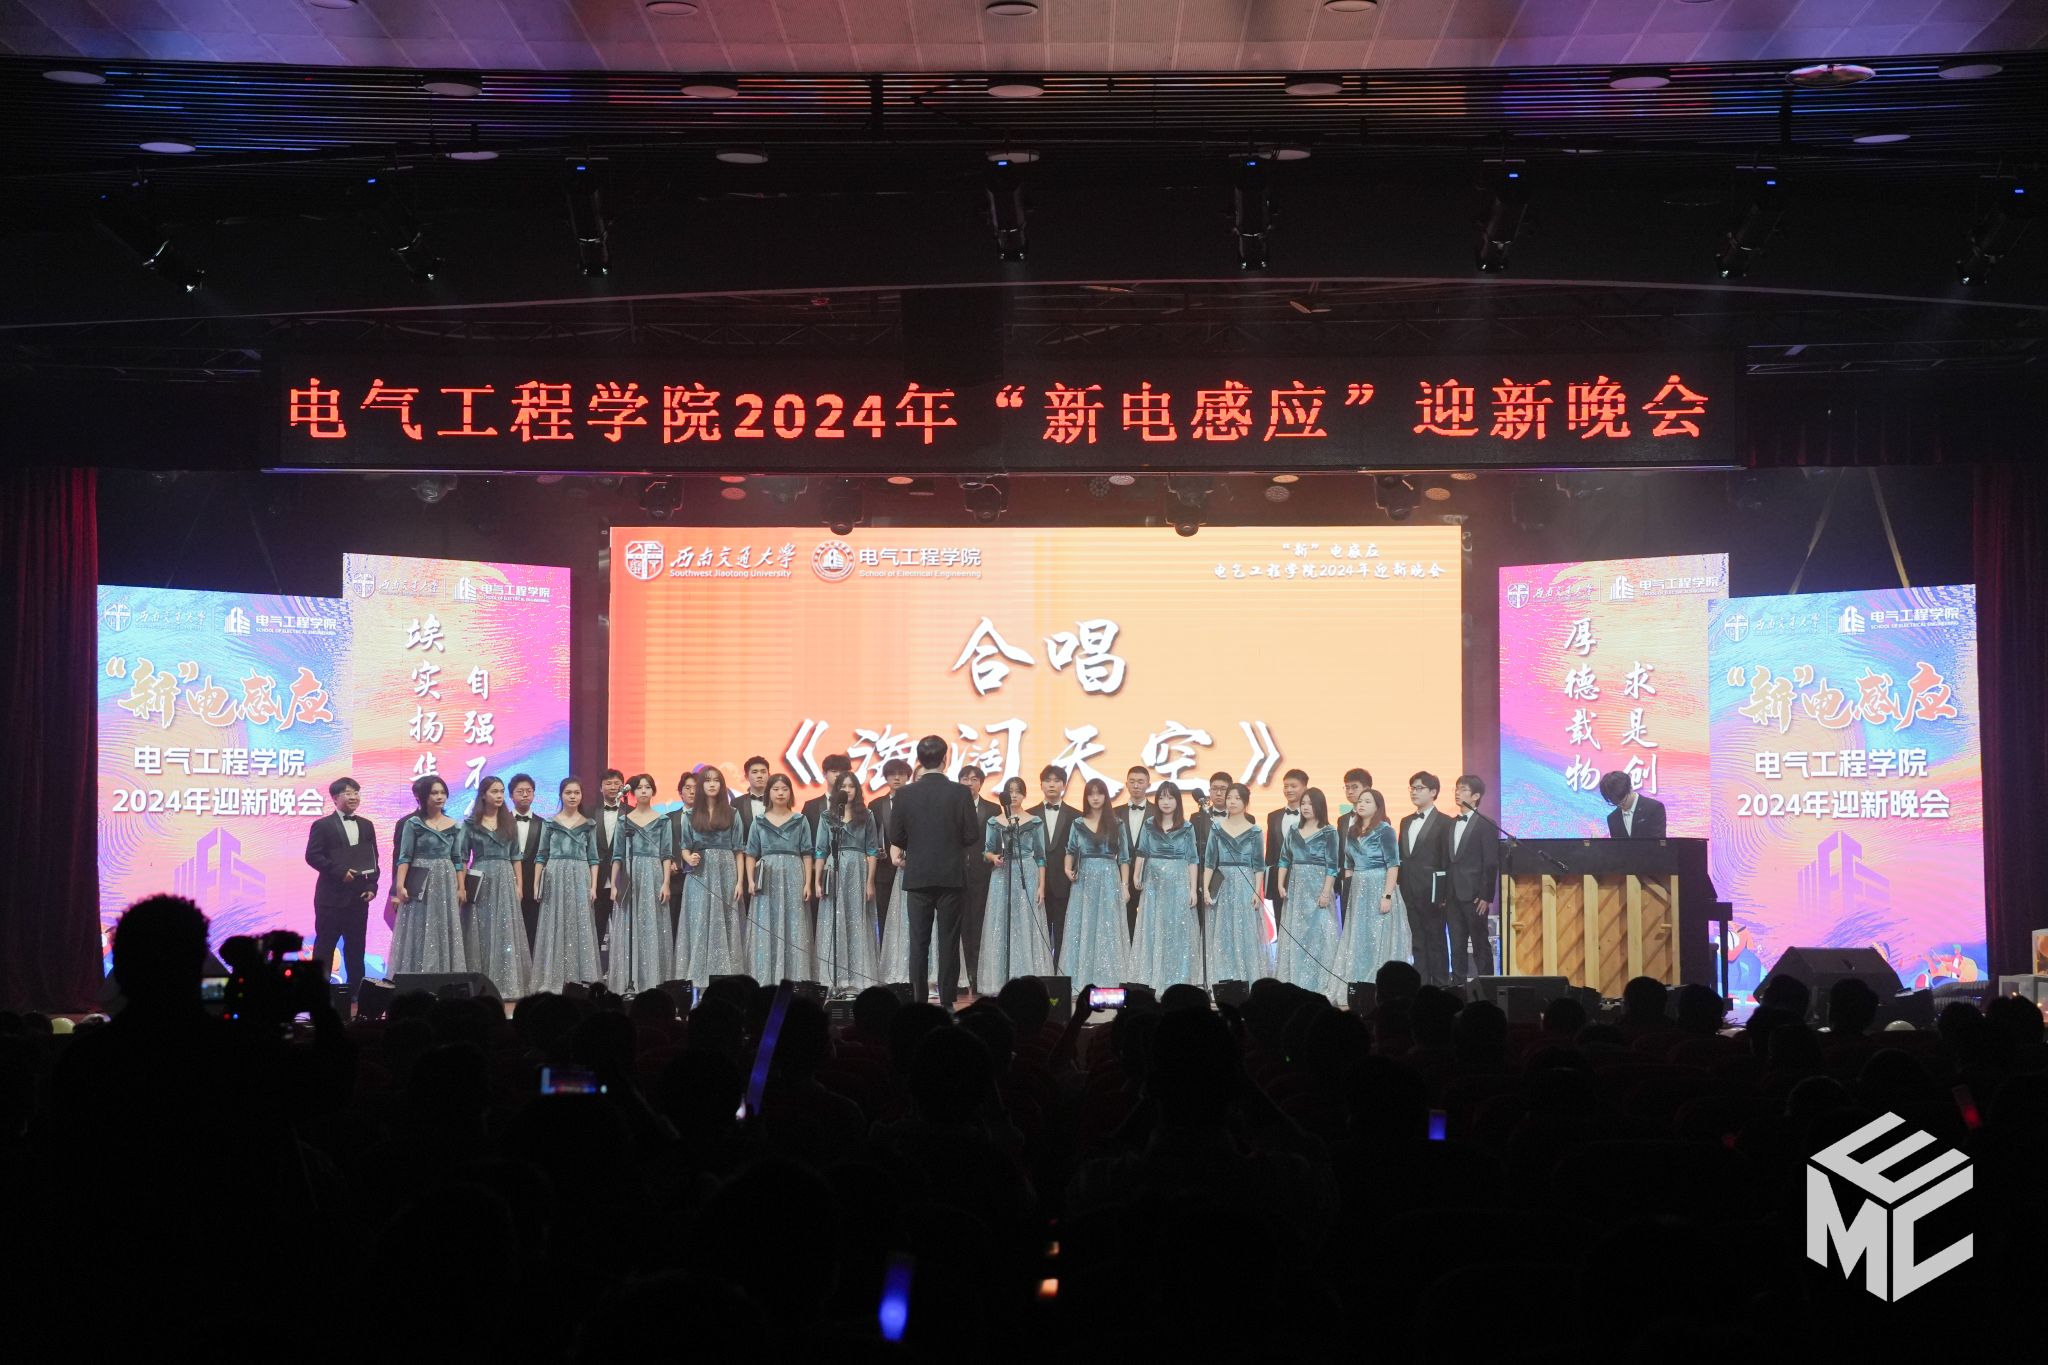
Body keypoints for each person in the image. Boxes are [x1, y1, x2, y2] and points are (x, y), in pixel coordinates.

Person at [886, 735, 981, 1009]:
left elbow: (896, 836)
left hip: (918, 875)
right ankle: (948, 1001)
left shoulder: (904, 794)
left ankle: (918, 1001)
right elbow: (972, 834)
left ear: (919, 760)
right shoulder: (961, 793)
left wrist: (918, 845)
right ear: (945, 760)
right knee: (949, 941)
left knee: (919, 942)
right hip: (951, 875)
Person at [304, 776, 378, 997]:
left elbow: (373, 859)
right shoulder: (322, 825)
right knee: (325, 947)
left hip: (358, 897)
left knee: (356, 948)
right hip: (330, 899)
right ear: (335, 798)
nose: (354, 797)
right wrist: (339, 872)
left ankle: (357, 992)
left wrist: (372, 886)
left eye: (356, 792)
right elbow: (312, 856)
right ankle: (318, 993)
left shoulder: (366, 825)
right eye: (348, 793)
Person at [390, 773, 469, 975]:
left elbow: (458, 859)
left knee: (444, 924)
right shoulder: (413, 823)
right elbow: (404, 857)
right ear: (424, 796)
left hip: (445, 880)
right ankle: (415, 975)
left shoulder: (456, 826)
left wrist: (461, 887)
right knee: (418, 925)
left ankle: (444, 976)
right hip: (420, 879)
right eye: (434, 793)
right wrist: (399, 886)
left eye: (443, 792)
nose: (440, 797)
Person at [980, 776, 1054, 991]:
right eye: (1010, 791)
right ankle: (1000, 979)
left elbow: (1041, 856)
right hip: (1002, 875)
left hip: (1027, 872)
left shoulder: (1034, 821)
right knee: (1001, 923)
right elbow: (986, 851)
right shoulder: (994, 822)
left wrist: (1041, 886)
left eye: (1018, 791)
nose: (1013, 795)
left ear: (1024, 795)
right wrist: (993, 858)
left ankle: (1028, 978)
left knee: (1025, 922)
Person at [1058, 777, 1131, 991]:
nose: (1095, 798)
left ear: (1106, 796)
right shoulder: (1078, 823)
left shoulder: (1117, 824)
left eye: (1099, 793)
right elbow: (1070, 850)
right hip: (1084, 879)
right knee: (1083, 925)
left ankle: (1108, 977)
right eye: (1091, 794)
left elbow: (1124, 858)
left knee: (1107, 926)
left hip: (1109, 878)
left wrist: (1124, 885)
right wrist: (1067, 869)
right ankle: (1081, 978)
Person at [676, 765, 746, 983]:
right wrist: (688, 858)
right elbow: (684, 847)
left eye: (716, 780)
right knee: (699, 921)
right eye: (707, 780)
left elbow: (739, 850)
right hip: (699, 874)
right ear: (701, 786)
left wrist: (739, 881)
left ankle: (727, 977)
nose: (712, 784)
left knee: (726, 921)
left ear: (722, 785)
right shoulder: (689, 815)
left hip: (726, 871)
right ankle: (698, 977)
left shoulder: (733, 813)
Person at [1130, 781, 1202, 990]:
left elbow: (1192, 860)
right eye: (1161, 797)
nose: (1166, 802)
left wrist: (1192, 889)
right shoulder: (1149, 824)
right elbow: (1142, 851)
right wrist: (1136, 874)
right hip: (1154, 883)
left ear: (1177, 801)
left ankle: (1178, 978)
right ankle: (1153, 977)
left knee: (1177, 928)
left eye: (1170, 797)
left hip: (1179, 882)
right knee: (1154, 927)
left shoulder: (1187, 827)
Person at [812, 770, 880, 993]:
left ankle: (858, 978)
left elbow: (872, 850)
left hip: (858, 870)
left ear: (857, 790)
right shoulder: (827, 816)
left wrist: (870, 882)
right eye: (843, 786)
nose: (848, 790)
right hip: (834, 869)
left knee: (857, 921)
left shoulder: (867, 815)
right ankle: (835, 978)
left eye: (851, 786)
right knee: (835, 921)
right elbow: (820, 851)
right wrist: (817, 881)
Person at [531, 777, 601, 993]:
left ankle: (580, 978)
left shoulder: (589, 825)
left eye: (576, 793)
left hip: (580, 875)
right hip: (555, 875)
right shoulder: (549, 823)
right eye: (568, 792)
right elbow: (541, 856)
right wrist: (536, 884)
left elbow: (594, 859)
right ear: (561, 795)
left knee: (579, 924)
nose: (572, 796)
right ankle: (554, 977)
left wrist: (593, 886)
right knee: (555, 923)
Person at [465, 774, 531, 999]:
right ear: (483, 795)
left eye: (502, 791)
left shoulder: (509, 822)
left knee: (505, 929)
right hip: (481, 876)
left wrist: (519, 885)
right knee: (482, 928)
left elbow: (516, 857)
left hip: (505, 878)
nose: (499, 795)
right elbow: (462, 858)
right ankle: (480, 984)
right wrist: (462, 886)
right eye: (494, 791)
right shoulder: (470, 824)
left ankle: (507, 984)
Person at [745, 773, 815, 984]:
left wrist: (807, 883)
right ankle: (766, 977)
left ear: (790, 793)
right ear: (769, 793)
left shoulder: (800, 820)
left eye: (784, 789)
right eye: (775, 789)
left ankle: (795, 977)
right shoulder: (759, 821)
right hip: (767, 876)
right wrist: (751, 880)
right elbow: (751, 853)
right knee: (767, 922)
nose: (780, 793)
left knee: (794, 923)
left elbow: (807, 853)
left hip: (794, 874)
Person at [1277, 786, 1343, 1003]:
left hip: (1318, 888)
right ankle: (1296, 982)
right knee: (1297, 934)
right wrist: (1280, 884)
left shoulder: (1329, 832)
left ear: (1320, 806)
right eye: (1303, 803)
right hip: (1296, 889)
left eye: (1310, 804)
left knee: (1321, 935)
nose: (1306, 807)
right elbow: (1284, 859)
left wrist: (1326, 892)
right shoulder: (1293, 830)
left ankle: (1320, 983)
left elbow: (1332, 866)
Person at [612, 774, 676, 994]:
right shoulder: (623, 821)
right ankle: (629, 980)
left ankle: (652, 980)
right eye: (639, 788)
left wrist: (666, 883)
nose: (643, 791)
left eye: (648, 787)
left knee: (652, 925)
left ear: (653, 791)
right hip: (629, 875)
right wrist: (614, 884)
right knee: (629, 925)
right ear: (632, 792)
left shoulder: (663, 821)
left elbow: (667, 854)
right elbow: (617, 855)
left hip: (653, 874)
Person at [1335, 787, 1405, 986]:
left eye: (1367, 801)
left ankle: (1380, 982)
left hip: (1379, 885)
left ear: (1377, 807)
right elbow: (1348, 865)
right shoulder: (1352, 831)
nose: (1361, 805)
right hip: (1358, 888)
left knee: (1378, 934)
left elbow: (1393, 865)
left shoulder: (1385, 830)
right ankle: (1359, 981)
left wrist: (1387, 896)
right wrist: (1349, 894)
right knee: (1360, 935)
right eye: (1360, 801)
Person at [1202, 783, 1268, 985]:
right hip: (1223, 885)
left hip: (1245, 884)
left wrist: (1257, 891)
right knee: (1223, 933)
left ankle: (1246, 979)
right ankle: (1222, 979)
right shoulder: (1216, 828)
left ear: (1245, 802)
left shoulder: (1255, 831)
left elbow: (1259, 866)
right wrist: (1206, 889)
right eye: (1229, 797)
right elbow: (1209, 862)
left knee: (1244, 931)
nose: (1232, 801)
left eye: (1237, 798)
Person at [1398, 771, 1454, 987]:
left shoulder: (1445, 822)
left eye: (1419, 788)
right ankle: (1420, 986)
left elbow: (1446, 860)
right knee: (1417, 942)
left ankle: (1440, 986)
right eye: (1412, 788)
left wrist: (1443, 894)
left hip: (1433, 893)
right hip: (1409, 890)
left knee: (1436, 941)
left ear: (1433, 792)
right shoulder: (1405, 821)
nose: (1414, 792)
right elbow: (1404, 857)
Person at [1446, 774, 1502, 984]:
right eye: (1456, 788)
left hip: (1475, 896)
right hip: (1452, 895)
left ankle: (1488, 986)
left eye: (1463, 789)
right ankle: (1458, 986)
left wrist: (1486, 896)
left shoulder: (1486, 824)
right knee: (1456, 945)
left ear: (1476, 796)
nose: (1457, 792)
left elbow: (1490, 862)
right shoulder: (1451, 824)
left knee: (1480, 943)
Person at [958, 764, 1002, 995]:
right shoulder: (951, 806)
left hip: (982, 875)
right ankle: (960, 976)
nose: (969, 783)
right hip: (955, 875)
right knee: (959, 925)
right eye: (965, 779)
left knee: (979, 924)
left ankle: (977, 974)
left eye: (974, 779)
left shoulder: (993, 809)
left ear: (981, 783)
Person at [1029, 764, 1078, 955]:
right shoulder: (1029, 815)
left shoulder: (1076, 816)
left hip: (1064, 884)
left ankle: (1060, 971)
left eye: (1057, 781)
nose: (1051, 785)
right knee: (1037, 936)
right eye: (1047, 780)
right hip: (1035, 884)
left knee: (1063, 934)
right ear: (1041, 784)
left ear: (1064, 785)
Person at [868, 757, 915, 934]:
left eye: (901, 774)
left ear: (908, 777)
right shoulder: (875, 805)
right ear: (885, 778)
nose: (897, 778)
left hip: (910, 867)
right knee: (884, 914)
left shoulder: (917, 802)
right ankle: (884, 950)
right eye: (892, 774)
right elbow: (871, 835)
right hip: (884, 868)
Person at [1265, 767, 1309, 932]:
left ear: (1305, 788)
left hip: (1306, 877)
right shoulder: (1273, 816)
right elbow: (1270, 853)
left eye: (1293, 786)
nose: (1288, 790)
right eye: (1285, 786)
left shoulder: (1313, 816)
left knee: (1304, 925)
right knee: (1281, 923)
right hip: (1279, 879)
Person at [594, 767, 627, 963]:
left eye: (617, 783)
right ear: (600, 788)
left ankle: (621, 970)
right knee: (596, 927)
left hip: (624, 879)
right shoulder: (589, 812)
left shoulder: (632, 813)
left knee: (623, 929)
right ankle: (595, 970)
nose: (613, 787)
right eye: (608, 783)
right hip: (597, 880)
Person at [508, 773, 545, 950]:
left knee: (532, 930)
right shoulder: (501, 822)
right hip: (506, 880)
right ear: (511, 795)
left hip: (532, 885)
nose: (525, 795)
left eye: (528, 791)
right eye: (520, 791)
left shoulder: (543, 823)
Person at [1116, 765, 1153, 927]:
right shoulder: (1114, 812)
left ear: (1148, 785)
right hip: (1120, 874)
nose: (1136, 785)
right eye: (1132, 781)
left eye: (1140, 781)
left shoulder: (1158, 812)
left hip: (1149, 873)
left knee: (1149, 920)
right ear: (1126, 784)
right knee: (1123, 920)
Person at [1600, 770, 1667, 839]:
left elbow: (1658, 842)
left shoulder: (1654, 808)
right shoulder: (1612, 818)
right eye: (1615, 803)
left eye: (1623, 802)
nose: (1620, 806)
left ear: (1630, 788)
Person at [736, 755, 773, 825]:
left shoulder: (778, 801)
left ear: (769, 775)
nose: (759, 776)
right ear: (746, 777)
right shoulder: (736, 803)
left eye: (763, 772)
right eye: (755, 772)